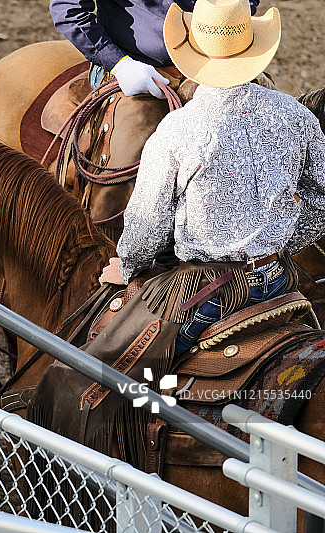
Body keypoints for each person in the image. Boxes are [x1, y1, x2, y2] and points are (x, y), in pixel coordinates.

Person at [98, 0, 325, 354]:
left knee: (111, 369)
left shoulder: (176, 129)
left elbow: (148, 223)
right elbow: (321, 199)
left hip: (209, 289)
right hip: (280, 280)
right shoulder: (297, 116)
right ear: (252, 47)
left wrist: (128, 267)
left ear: (193, 52)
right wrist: (277, 243)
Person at [49, 0, 259, 98]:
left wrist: (230, 17)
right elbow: (68, 9)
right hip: (137, 66)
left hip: (219, 59)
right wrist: (121, 65)